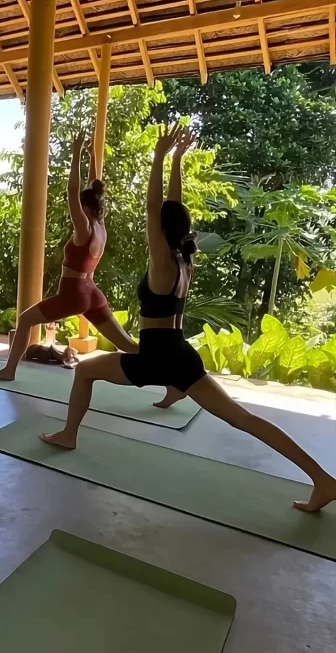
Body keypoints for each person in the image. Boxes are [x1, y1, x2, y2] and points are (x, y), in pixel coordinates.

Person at [39, 124, 336, 513]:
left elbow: (154, 207)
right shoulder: (183, 259)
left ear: (161, 230)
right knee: (244, 419)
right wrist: (178, 159)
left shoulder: (162, 260)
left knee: (85, 371)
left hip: (157, 357)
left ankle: (68, 435)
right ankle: (323, 479)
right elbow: (171, 207)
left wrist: (161, 158)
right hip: (181, 353)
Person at [0, 131, 185, 406]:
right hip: (92, 292)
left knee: (25, 320)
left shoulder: (84, 228)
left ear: (85, 207)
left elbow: (72, 190)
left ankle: (9, 370)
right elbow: (95, 184)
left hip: (74, 294)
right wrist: (93, 154)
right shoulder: (101, 227)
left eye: (79, 206)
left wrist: (77, 151)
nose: (75, 210)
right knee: (128, 345)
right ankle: (175, 381)